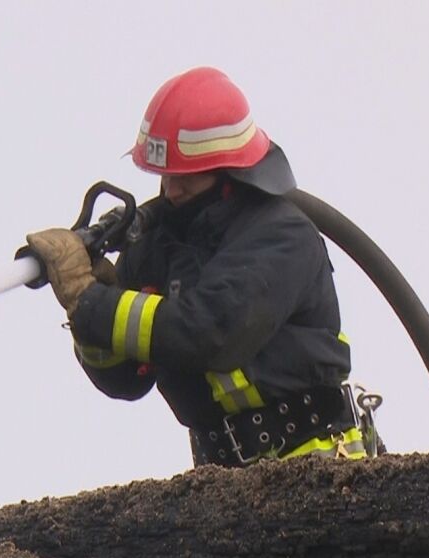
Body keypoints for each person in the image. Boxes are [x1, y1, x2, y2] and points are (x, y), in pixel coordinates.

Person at [24, 67, 369, 467]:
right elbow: (124, 380)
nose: (171, 189)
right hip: (223, 480)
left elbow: (210, 331)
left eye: (186, 175)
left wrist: (91, 302)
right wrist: (90, 313)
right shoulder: (157, 245)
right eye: (164, 174)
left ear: (229, 168)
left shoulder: (281, 236)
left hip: (318, 468)